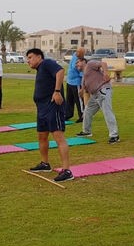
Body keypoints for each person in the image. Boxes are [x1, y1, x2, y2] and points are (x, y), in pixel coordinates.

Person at [26, 48, 73, 182]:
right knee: (42, 136)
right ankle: (45, 163)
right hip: (42, 109)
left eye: (30, 57)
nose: (28, 61)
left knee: (58, 137)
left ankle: (67, 170)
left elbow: (60, 71)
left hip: (53, 107)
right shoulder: (40, 69)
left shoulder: (47, 63)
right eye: (27, 58)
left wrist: (57, 91)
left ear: (39, 57)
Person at [75, 57, 120, 144]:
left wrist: (106, 73)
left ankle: (114, 136)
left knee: (107, 112)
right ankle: (86, 131)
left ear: (84, 61)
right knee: (87, 111)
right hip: (95, 95)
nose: (76, 65)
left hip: (103, 90)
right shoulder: (84, 76)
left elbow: (103, 64)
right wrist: (82, 90)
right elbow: (86, 89)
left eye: (77, 62)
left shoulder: (90, 64)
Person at [65, 47, 85, 122]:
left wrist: (82, 86)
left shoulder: (82, 61)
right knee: (69, 99)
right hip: (69, 81)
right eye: (77, 51)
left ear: (82, 54)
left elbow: (82, 73)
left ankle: (82, 115)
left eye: (79, 52)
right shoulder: (74, 56)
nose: (77, 53)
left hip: (76, 82)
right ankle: (68, 114)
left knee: (79, 100)